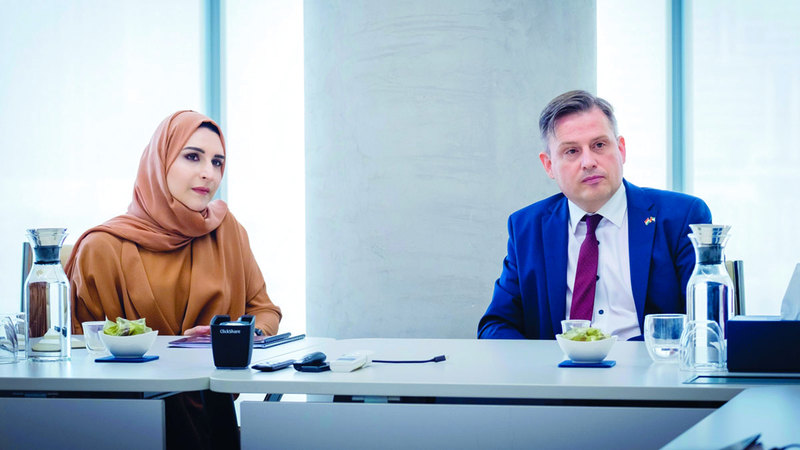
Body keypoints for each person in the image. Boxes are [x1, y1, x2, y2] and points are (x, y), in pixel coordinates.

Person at [65, 110, 282, 449]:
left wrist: (234, 335)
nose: (208, 173)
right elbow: (79, 356)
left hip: (216, 415)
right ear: (160, 160)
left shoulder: (226, 231)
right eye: (193, 157)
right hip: (127, 423)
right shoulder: (102, 247)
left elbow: (265, 311)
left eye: (217, 162)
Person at [478, 90, 711, 341]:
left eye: (599, 145)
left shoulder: (682, 217)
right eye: (571, 151)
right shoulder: (527, 227)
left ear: (621, 150)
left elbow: (705, 322)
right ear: (549, 165)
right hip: (557, 365)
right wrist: (540, 361)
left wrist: (621, 355)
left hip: (648, 363)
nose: (588, 162)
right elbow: (496, 324)